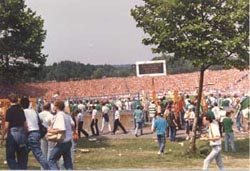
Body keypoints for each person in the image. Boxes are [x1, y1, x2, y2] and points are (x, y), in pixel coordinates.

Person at [20, 97, 51, 170]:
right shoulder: (34, 111)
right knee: (24, 154)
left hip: (29, 133)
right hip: (36, 132)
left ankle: (49, 168)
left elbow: (24, 124)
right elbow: (39, 122)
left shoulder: (23, 112)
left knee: (38, 154)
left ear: (21, 104)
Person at [1, 93, 28, 169]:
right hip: (22, 133)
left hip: (13, 134)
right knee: (22, 159)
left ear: (9, 100)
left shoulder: (9, 111)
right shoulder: (21, 110)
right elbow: (25, 125)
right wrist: (25, 135)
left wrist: (2, 137)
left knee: (10, 158)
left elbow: (6, 126)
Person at [47, 100, 74, 170]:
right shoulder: (66, 115)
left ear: (56, 107)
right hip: (68, 141)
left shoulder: (60, 116)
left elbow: (62, 129)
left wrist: (51, 130)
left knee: (51, 160)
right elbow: (72, 125)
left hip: (62, 142)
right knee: (68, 162)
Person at [38, 103, 54, 169]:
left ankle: (43, 168)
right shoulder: (51, 115)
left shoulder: (39, 115)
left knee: (43, 152)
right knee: (50, 151)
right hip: (49, 134)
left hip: (42, 134)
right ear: (49, 108)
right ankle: (49, 167)